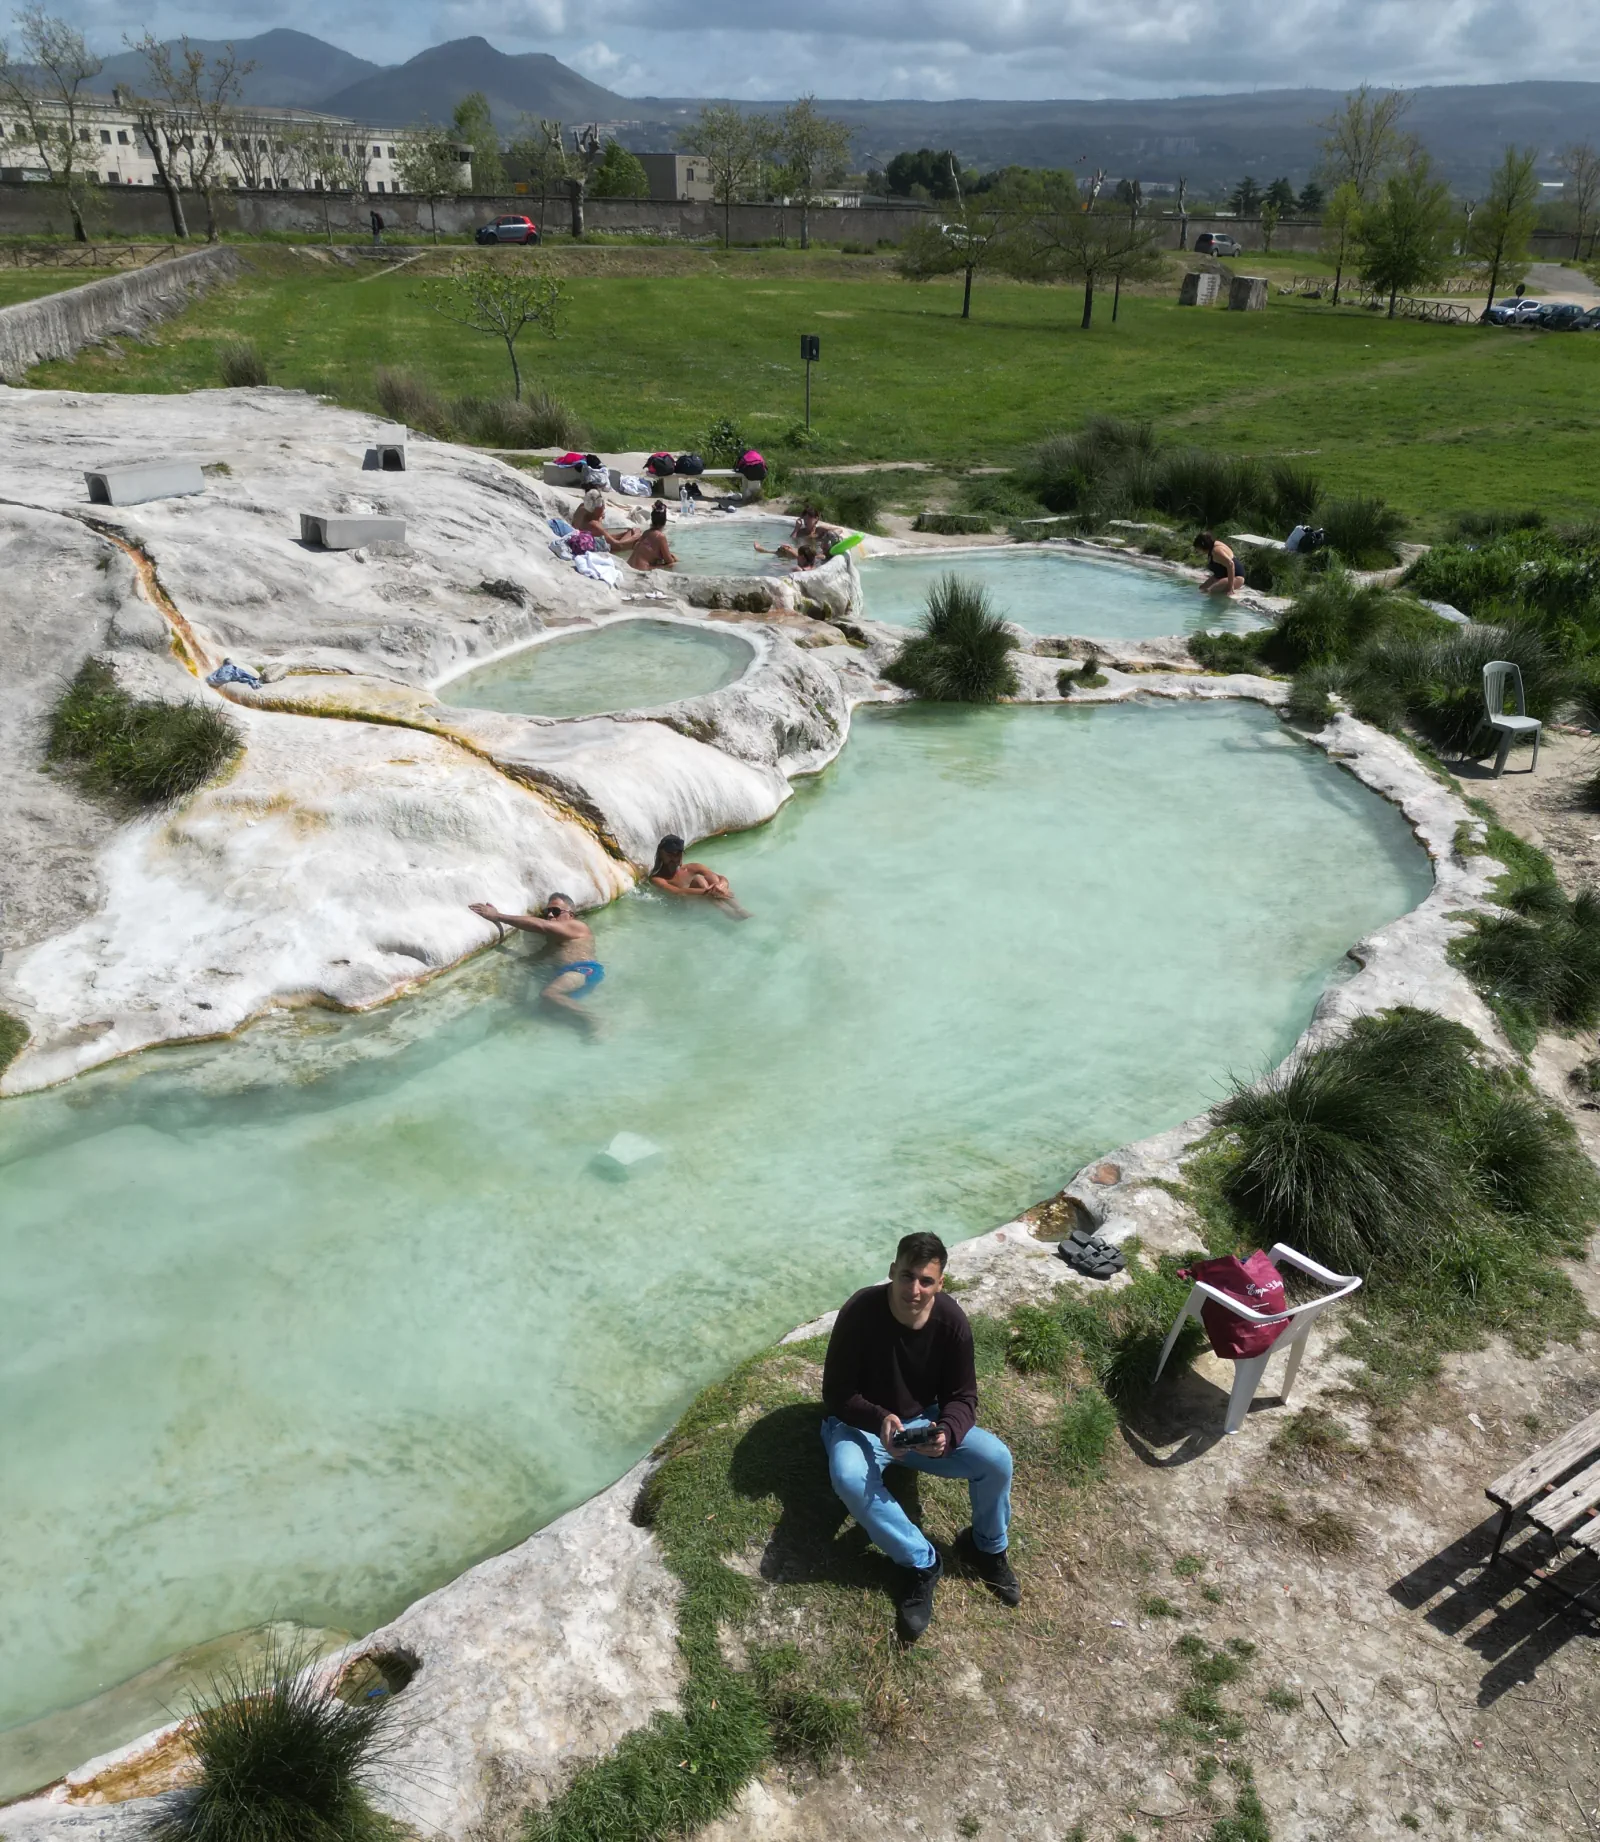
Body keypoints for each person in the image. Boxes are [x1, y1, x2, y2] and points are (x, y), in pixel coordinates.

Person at [821, 1231, 1019, 1640]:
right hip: (860, 1423)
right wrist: (879, 1419)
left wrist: (946, 1432)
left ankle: (986, 1546)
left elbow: (963, 1396)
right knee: (848, 1476)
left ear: (940, 1282)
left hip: (922, 1422)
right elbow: (837, 1394)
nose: (915, 1290)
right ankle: (921, 1562)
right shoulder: (860, 1310)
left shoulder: (951, 1321)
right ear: (892, 1272)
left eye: (926, 1281)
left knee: (996, 1459)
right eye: (907, 1276)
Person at [469, 893, 604, 1032]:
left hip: (583, 970)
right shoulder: (556, 939)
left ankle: (594, 1021)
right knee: (543, 1009)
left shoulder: (578, 926)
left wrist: (498, 916)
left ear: (570, 915)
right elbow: (543, 955)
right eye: (547, 912)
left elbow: (542, 926)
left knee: (550, 993)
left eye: (556, 911)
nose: (550, 915)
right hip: (568, 973)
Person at [649, 834, 749, 919]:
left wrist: (721, 886)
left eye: (678, 854)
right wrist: (709, 891)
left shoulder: (693, 867)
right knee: (699, 879)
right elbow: (678, 892)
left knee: (713, 879)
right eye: (670, 854)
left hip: (706, 899)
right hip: (686, 908)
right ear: (661, 854)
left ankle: (739, 909)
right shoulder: (657, 878)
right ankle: (726, 910)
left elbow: (721, 878)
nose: (674, 859)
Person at [572, 489, 644, 555]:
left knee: (629, 532)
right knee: (635, 540)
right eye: (603, 507)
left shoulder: (582, 508)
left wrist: (623, 534)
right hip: (596, 548)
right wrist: (635, 536)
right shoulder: (594, 524)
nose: (604, 508)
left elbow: (603, 536)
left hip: (585, 540)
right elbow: (618, 545)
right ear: (597, 509)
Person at [625, 501, 678, 572]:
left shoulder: (646, 533)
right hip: (641, 569)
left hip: (629, 566)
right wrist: (675, 558)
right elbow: (669, 561)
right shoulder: (660, 536)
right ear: (664, 521)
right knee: (674, 564)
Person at [776, 504, 841, 560]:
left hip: (818, 555)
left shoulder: (820, 530)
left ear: (816, 519)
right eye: (804, 518)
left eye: (809, 518)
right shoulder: (801, 532)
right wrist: (796, 529)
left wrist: (826, 538)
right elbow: (792, 540)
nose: (806, 521)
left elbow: (839, 530)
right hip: (805, 555)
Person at [1194, 531, 1241, 595]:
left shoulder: (1216, 551)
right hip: (1221, 576)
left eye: (1198, 549)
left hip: (1236, 578)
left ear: (1203, 545)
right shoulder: (1214, 545)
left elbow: (1231, 564)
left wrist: (1231, 588)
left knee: (1209, 591)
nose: (1197, 551)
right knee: (1201, 588)